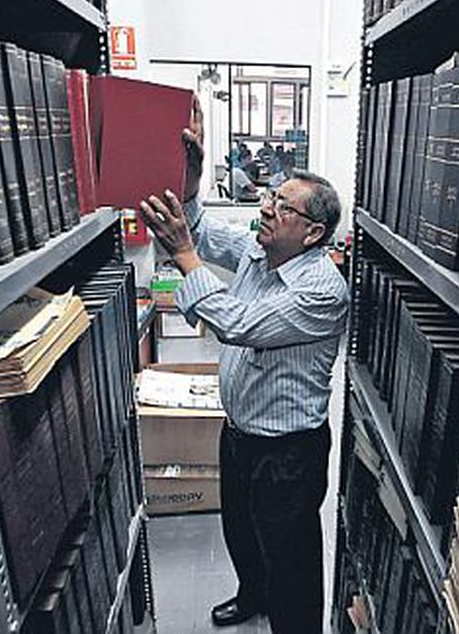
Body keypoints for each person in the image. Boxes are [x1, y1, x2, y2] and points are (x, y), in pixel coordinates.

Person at [140, 96, 347, 633]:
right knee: (241, 531)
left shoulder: (322, 290)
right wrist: (192, 179)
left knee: (291, 559)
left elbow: (240, 325)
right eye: (271, 197)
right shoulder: (263, 249)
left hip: (288, 452)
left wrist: (185, 257)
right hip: (239, 435)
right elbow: (203, 227)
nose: (266, 210)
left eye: (283, 207)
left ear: (313, 233)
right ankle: (252, 595)